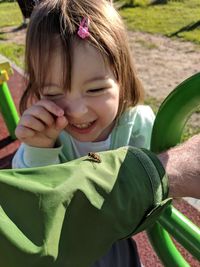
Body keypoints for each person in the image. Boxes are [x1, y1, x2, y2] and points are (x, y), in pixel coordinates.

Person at [11, 0, 200, 266]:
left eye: (95, 89)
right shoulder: (47, 133)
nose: (76, 111)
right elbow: (29, 206)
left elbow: (167, 192)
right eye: (53, 93)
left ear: (122, 78)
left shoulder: (140, 125)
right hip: (61, 244)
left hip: (113, 242)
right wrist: (39, 150)